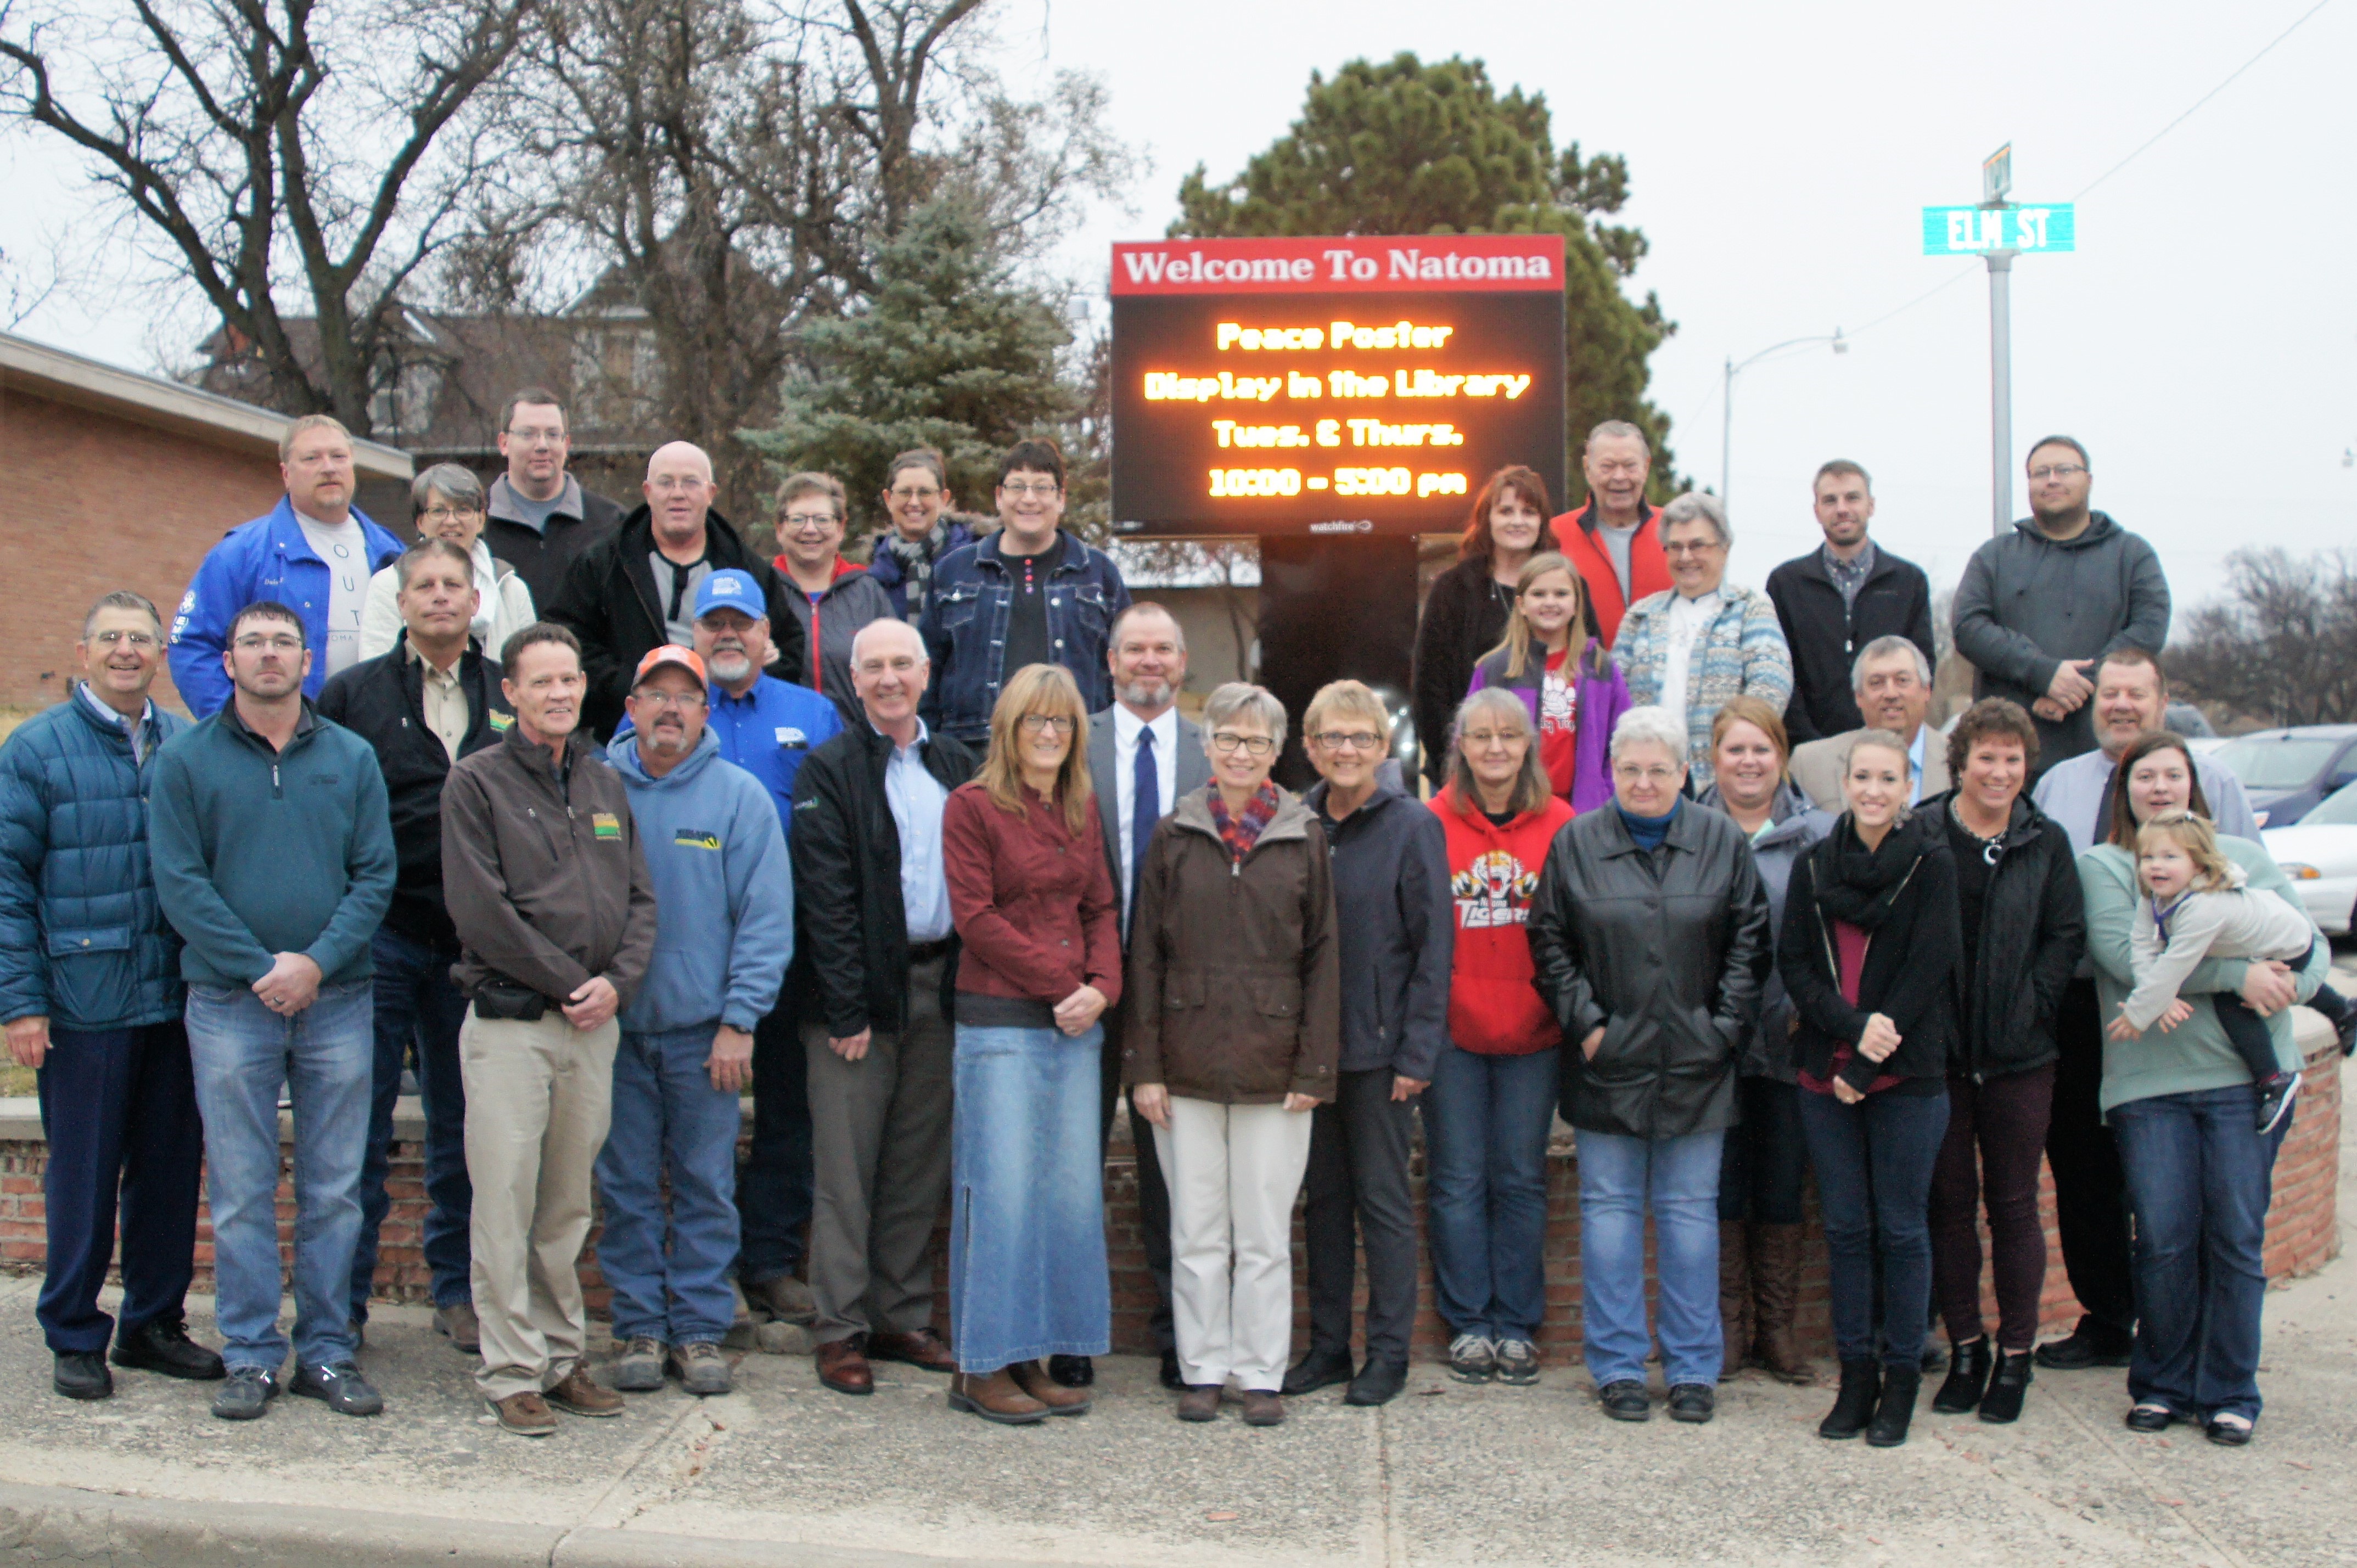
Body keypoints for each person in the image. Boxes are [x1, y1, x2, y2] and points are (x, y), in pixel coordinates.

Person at [148, 600, 397, 1421]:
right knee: (244, 1188)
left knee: (334, 1187)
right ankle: (252, 1354)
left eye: (282, 643)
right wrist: (262, 968)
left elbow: (375, 876)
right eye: (251, 643)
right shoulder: (186, 761)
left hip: (339, 998)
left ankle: (326, 1352)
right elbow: (181, 884)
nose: (267, 656)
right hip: (228, 1002)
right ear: (227, 662)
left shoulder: (352, 757)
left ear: (305, 659)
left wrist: (315, 963)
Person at [0, 591, 220, 1402]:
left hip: (176, 997)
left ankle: (154, 1323)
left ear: (161, 653)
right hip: (81, 1002)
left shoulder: (188, 745)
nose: (127, 650)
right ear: (84, 650)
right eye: (112, 637)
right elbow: (6, 883)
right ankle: (73, 1329)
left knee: (168, 1171)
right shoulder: (35, 750)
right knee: (84, 1178)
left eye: (142, 638)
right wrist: (22, 1004)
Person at [2080, 730, 2328, 1445]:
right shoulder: (2106, 866)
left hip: (2240, 1079)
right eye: (2143, 776)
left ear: (2194, 784)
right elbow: (2120, 957)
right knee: (2160, 1238)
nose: (2158, 786)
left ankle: (2228, 1391)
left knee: (2234, 1237)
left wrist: (2287, 985)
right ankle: (2160, 1383)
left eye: (2172, 774)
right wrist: (2236, 975)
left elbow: (2304, 951)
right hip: (2147, 1082)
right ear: (2122, 789)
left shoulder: (2240, 861)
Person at [439, 622, 656, 1437]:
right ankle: (510, 1371)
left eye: (570, 680)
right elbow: (481, 912)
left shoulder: (605, 785)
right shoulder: (476, 784)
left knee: (565, 1207)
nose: (560, 693)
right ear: (511, 693)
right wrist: (573, 983)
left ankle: (563, 1359)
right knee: (503, 1201)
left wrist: (616, 984)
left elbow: (640, 901)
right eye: (543, 682)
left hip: (591, 1028)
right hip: (512, 1027)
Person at [1528, 705, 1770, 1426]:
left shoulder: (1722, 841)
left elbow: (1749, 941)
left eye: (1657, 769)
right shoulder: (1576, 843)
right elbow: (1548, 941)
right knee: (1607, 1213)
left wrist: (1723, 1029)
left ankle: (1694, 1367)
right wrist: (1589, 1027)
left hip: (1698, 1062)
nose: (1642, 782)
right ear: (1611, 773)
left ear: (1684, 772)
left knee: (1690, 1216)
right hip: (1608, 1062)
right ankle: (1617, 1366)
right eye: (1629, 769)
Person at [2028, 647, 2259, 1373]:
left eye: (2135, 693)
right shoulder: (2060, 783)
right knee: (2083, 1168)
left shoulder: (2210, 780)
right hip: (2080, 1004)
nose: (2119, 704)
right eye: (2108, 694)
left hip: (2190, 1015)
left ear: (2160, 701)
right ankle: (2106, 1316)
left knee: (2171, 1181)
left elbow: (2250, 883)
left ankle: (2185, 1327)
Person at [318, 541, 516, 1356]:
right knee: (353, 1134)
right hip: (379, 941)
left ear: (476, 602)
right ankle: (342, 1305)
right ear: (399, 603)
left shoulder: (506, 687)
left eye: (453, 586)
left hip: (473, 948)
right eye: (423, 586)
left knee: (463, 1131)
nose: (439, 597)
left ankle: (456, 1292)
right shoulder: (352, 695)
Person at [1125, 682, 1339, 1428]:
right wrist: (1143, 1069)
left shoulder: (1302, 833)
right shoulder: (1173, 833)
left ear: (1275, 751)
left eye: (1254, 741)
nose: (1240, 752)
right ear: (1206, 745)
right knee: (1196, 1229)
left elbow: (1323, 958)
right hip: (1181, 1064)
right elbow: (1143, 956)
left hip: (1275, 1068)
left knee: (1262, 1232)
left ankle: (1260, 1372)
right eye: (1227, 738)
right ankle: (1202, 1367)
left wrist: (1315, 1068)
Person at [601, 645, 793, 1401]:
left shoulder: (738, 798)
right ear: (632, 707)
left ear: (705, 713)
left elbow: (766, 920)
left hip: (703, 1035)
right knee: (624, 1188)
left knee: (707, 1184)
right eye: (656, 695)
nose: (670, 709)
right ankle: (640, 1326)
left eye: (687, 697)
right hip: (609, 1034)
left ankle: (702, 1328)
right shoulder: (593, 790)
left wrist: (740, 1021)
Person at [790, 619, 977, 1397]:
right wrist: (847, 1009)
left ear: (926, 674)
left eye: (902, 663)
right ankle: (840, 1327)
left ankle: (901, 1314)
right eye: (874, 667)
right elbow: (825, 898)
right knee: (846, 1171)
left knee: (914, 1167)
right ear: (853, 679)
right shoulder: (828, 769)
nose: (889, 678)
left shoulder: (958, 764)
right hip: (855, 999)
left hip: (942, 987)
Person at [940, 665, 1122, 1424]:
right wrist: (1063, 987)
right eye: (1034, 721)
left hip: (1076, 1024)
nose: (1049, 734)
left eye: (1062, 722)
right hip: (1001, 1025)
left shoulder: (1079, 806)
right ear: (1008, 728)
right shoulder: (971, 807)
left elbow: (1103, 905)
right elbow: (976, 918)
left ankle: (1031, 1355)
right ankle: (978, 1366)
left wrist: (1103, 987)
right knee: (1003, 1195)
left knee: (1065, 1198)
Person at [1780, 729, 1960, 1448]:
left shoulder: (1929, 863)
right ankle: (1855, 1379)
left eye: (1889, 778)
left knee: (1902, 1230)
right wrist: (1850, 1032)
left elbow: (1930, 963)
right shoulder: (1816, 864)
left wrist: (1868, 1059)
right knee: (1847, 1232)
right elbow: (1795, 963)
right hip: (1826, 1070)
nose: (1875, 790)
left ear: (1906, 786)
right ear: (1844, 783)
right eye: (1863, 777)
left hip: (1905, 1077)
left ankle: (1900, 1380)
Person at [1283, 681, 1451, 1408]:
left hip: (1381, 1057)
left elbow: (1432, 950)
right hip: (1308, 1055)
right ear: (1310, 747)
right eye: (1331, 737)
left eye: (1361, 738)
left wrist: (1417, 1054)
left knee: (1382, 1206)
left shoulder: (1412, 826)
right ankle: (1327, 1346)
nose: (1346, 750)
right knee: (1321, 1206)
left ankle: (1386, 1354)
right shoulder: (1295, 823)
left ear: (1384, 749)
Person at [684, 569, 843, 1331]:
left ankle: (771, 1261)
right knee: (694, 1120)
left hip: (791, 948)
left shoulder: (812, 714)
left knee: (788, 1113)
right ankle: (701, 1274)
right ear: (693, 637)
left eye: (739, 623)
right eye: (712, 623)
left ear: (765, 638)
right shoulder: (669, 709)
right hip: (690, 947)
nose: (727, 636)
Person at [1918, 699, 2083, 1425]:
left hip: (2019, 1057)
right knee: (1947, 1206)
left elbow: (2063, 934)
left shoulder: (2043, 840)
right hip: (1941, 1057)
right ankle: (1965, 1349)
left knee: (2012, 1204)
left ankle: (2015, 1355)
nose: (1998, 770)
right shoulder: (1923, 829)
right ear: (1961, 761)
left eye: (2012, 759)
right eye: (1985, 757)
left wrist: (2032, 1006)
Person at [1076, 602, 1208, 1393]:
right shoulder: (1069, 743)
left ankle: (1177, 1336)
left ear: (1182, 662)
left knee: (1174, 1173)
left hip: (1179, 996)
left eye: (1162, 648)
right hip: (1083, 987)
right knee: (1071, 1165)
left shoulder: (1211, 749)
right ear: (1112, 661)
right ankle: (1069, 1330)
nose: (1148, 661)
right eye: (1135, 649)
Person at [1424, 688, 1573, 1388]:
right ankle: (1469, 1324)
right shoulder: (1429, 823)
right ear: (1460, 746)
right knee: (1456, 1179)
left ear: (1528, 745)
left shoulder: (1563, 826)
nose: (1493, 748)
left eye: (1507, 736)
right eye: (1479, 736)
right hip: (1453, 1032)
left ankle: (1516, 1324)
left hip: (1534, 1033)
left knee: (1518, 1178)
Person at [1694, 696, 1832, 1386]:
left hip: (1788, 1039)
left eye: (1761, 750)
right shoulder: (1688, 831)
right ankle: (1726, 1330)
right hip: (1710, 1045)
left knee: (1780, 1187)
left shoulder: (1817, 835)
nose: (1748, 763)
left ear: (1781, 758)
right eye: (1734, 750)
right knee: (1718, 1189)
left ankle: (1775, 1331)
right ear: (1711, 759)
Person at [545, 440, 806, 739]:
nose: (678, 494)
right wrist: (634, 688)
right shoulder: (604, 564)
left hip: (728, 734)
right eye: (666, 483)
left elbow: (788, 649)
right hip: (624, 734)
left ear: (711, 494)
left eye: (691, 483)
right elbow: (566, 639)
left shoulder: (745, 568)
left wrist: (743, 679)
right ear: (647, 492)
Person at [1952, 436, 2170, 767]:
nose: (2052, 480)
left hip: (2106, 753)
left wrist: (2082, 684)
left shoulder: (2132, 555)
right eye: (2041, 473)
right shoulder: (1995, 557)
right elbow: (1969, 627)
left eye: (2065, 470)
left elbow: (2150, 628)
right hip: (2008, 759)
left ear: (2089, 480)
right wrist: (2043, 673)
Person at [166, 415, 405, 716]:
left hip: (377, 737)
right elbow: (192, 647)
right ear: (286, 473)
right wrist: (237, 730)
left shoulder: (393, 554)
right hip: (283, 744)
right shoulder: (240, 554)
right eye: (311, 458)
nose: (329, 467)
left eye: (338, 457)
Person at [2108, 811, 2314, 1133]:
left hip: (2288, 943)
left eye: (2169, 857)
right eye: (2147, 857)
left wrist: (2138, 1013)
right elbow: (2143, 946)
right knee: (2232, 981)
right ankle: (2342, 1010)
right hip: (2246, 944)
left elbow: (2174, 966)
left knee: (2230, 1002)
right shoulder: (2155, 896)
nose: (2155, 866)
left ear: (2199, 865)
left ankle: (2274, 1079)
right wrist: (2158, 998)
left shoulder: (2204, 907)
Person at [919, 439, 1131, 745]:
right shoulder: (953, 572)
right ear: (999, 497)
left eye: (1042, 488)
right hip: (975, 753)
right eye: (1017, 486)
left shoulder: (1099, 574)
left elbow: (1124, 671)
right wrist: (933, 750)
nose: (1029, 499)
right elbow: (928, 670)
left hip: (1075, 754)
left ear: (1061, 499)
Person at [1613, 492, 1792, 789]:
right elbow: (1615, 696)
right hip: (1651, 780)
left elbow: (1771, 687)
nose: (1686, 557)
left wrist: (1733, 751)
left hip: (1723, 780)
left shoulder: (1749, 607)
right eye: (1675, 547)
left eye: (1697, 545)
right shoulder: (1640, 616)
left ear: (1724, 548)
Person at [1410, 465, 1562, 792]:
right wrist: (1452, 767)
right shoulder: (1453, 589)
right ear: (1487, 520)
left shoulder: (1566, 586)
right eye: (1506, 511)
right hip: (1465, 773)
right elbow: (1429, 690)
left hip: (1552, 775)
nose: (1517, 521)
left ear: (1542, 522)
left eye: (1529, 512)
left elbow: (1587, 668)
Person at [1764, 462, 1936, 746]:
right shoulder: (1786, 584)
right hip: (1807, 751)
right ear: (1817, 511)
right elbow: (1779, 668)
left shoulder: (1907, 581)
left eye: (1852, 498)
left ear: (1871, 505)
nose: (1842, 509)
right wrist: (1807, 743)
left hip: (1890, 748)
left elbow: (1923, 668)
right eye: (1830, 500)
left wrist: (1897, 735)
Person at [1465, 551, 1631, 812]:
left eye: (1561, 594)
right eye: (1539, 594)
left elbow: (1625, 741)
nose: (1550, 602)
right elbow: (1468, 740)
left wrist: (1607, 792)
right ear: (1520, 604)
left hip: (1585, 811)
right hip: (1515, 808)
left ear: (1578, 604)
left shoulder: (1601, 667)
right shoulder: (1495, 669)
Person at [358, 465, 537, 663]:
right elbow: (377, 671)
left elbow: (530, 671)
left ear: (481, 520)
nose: (451, 521)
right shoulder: (389, 584)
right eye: (439, 511)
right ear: (420, 522)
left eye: (463, 510)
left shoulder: (511, 589)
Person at [480, 388, 628, 611]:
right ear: (504, 443)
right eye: (528, 434)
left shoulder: (612, 523)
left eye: (552, 434)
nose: (542, 446)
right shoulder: (474, 521)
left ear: (566, 445)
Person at [771, 471, 897, 723]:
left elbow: (895, 672)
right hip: (781, 745)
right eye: (798, 520)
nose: (810, 530)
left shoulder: (867, 592)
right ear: (779, 529)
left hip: (855, 747)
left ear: (840, 528)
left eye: (822, 519)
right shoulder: (764, 591)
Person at [1788, 637, 1949, 810]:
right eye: (1876, 683)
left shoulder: (1960, 761)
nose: (1890, 693)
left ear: (1927, 690)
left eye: (1902, 680)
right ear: (1859, 696)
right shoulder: (1810, 764)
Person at [1551, 420, 1670, 647]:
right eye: (1607, 467)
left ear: (1646, 467)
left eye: (1630, 466)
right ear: (1587, 469)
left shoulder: (1676, 532)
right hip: (1583, 676)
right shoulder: (1555, 536)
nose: (1619, 477)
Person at [865, 448, 977, 620]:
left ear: (943, 499)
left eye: (925, 492)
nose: (914, 502)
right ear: (888, 499)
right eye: (905, 492)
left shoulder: (973, 560)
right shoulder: (874, 577)